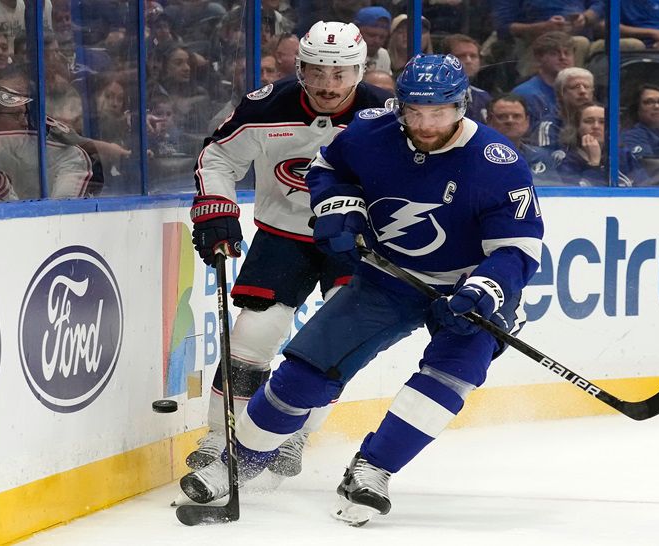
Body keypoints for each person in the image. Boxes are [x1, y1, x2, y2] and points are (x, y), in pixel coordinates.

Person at [179, 54, 544, 526]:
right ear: (400, 106)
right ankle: (239, 463)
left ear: (462, 106)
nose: (426, 123)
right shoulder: (372, 133)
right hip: (387, 278)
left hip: (467, 288)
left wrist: (485, 290)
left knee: (450, 377)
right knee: (305, 371)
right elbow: (328, 166)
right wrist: (336, 206)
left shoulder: (498, 163)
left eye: (439, 112)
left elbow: (516, 250)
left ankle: (372, 469)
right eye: (415, 111)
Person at [184, 21, 392, 478]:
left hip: (356, 241)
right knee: (253, 335)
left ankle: (294, 433)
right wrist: (216, 206)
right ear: (299, 67)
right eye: (317, 71)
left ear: (359, 71)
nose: (327, 85)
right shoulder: (266, 105)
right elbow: (218, 157)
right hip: (283, 235)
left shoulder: (385, 116)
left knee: (334, 343)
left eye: (340, 74)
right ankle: (220, 437)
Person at [511, 32, 575, 142]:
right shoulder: (525, 94)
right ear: (539, 57)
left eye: (567, 53)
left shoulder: (579, 91)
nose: (563, 58)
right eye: (554, 53)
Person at [486, 94, 561, 185]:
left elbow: (557, 192)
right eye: (502, 116)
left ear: (527, 121)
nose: (510, 121)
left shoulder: (541, 157)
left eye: (516, 116)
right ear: (489, 120)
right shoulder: (476, 156)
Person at [535, 66, 593, 148]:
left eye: (586, 87)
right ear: (560, 94)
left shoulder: (602, 121)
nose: (582, 91)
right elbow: (547, 159)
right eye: (575, 87)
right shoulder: (549, 126)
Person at [440, 34, 491, 124]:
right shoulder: (433, 97)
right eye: (461, 56)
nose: (468, 61)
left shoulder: (484, 97)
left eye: (473, 56)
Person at [354, 6, 392, 75]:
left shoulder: (383, 55)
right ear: (356, 32)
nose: (377, 41)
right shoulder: (346, 55)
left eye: (382, 37)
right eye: (371, 35)